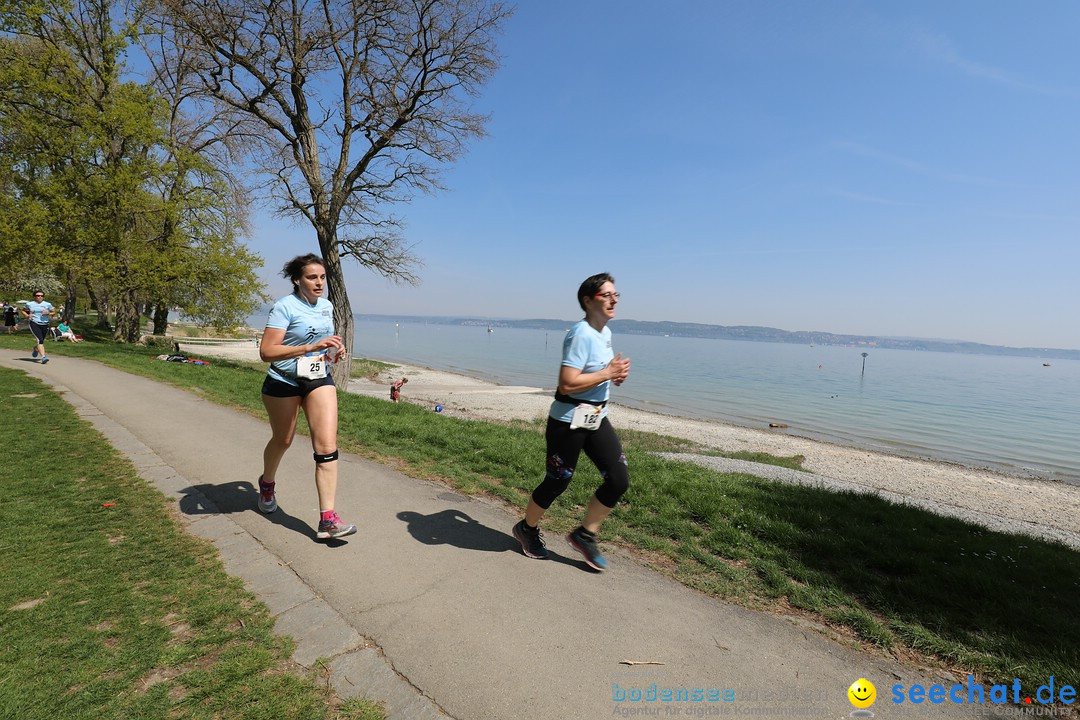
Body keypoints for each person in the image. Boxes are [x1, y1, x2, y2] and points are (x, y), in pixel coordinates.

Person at [512, 273, 631, 571]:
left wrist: (613, 376)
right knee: (558, 480)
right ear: (588, 301)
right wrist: (607, 373)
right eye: (607, 295)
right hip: (567, 420)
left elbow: (591, 375)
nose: (614, 299)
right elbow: (567, 383)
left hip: (595, 417)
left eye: (616, 294)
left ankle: (585, 534)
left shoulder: (604, 333)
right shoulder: (581, 333)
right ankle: (526, 528)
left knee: (618, 479)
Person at [256, 254, 356, 541]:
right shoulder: (284, 307)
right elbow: (267, 352)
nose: (319, 282)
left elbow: (323, 342)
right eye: (312, 277)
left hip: (317, 379)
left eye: (322, 277)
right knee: (283, 439)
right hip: (283, 381)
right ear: (297, 280)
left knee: (327, 446)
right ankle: (266, 483)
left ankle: (328, 520)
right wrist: (310, 346)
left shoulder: (326, 306)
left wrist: (331, 352)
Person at [21, 291, 54, 363]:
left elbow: (53, 311)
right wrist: (27, 315)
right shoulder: (29, 304)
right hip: (34, 323)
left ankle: (36, 348)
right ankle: (43, 357)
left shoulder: (47, 304)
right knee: (40, 340)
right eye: (38, 295)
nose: (40, 297)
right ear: (34, 296)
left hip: (45, 324)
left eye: (42, 296)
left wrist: (48, 313)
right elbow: (23, 311)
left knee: (42, 340)